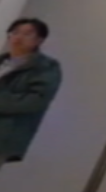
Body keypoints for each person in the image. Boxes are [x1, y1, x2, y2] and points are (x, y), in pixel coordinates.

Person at [0, 18, 61, 169]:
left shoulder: (45, 67)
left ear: (39, 40)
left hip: (5, 135)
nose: (18, 37)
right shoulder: (2, 61)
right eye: (15, 32)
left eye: (27, 34)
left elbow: (36, 100)